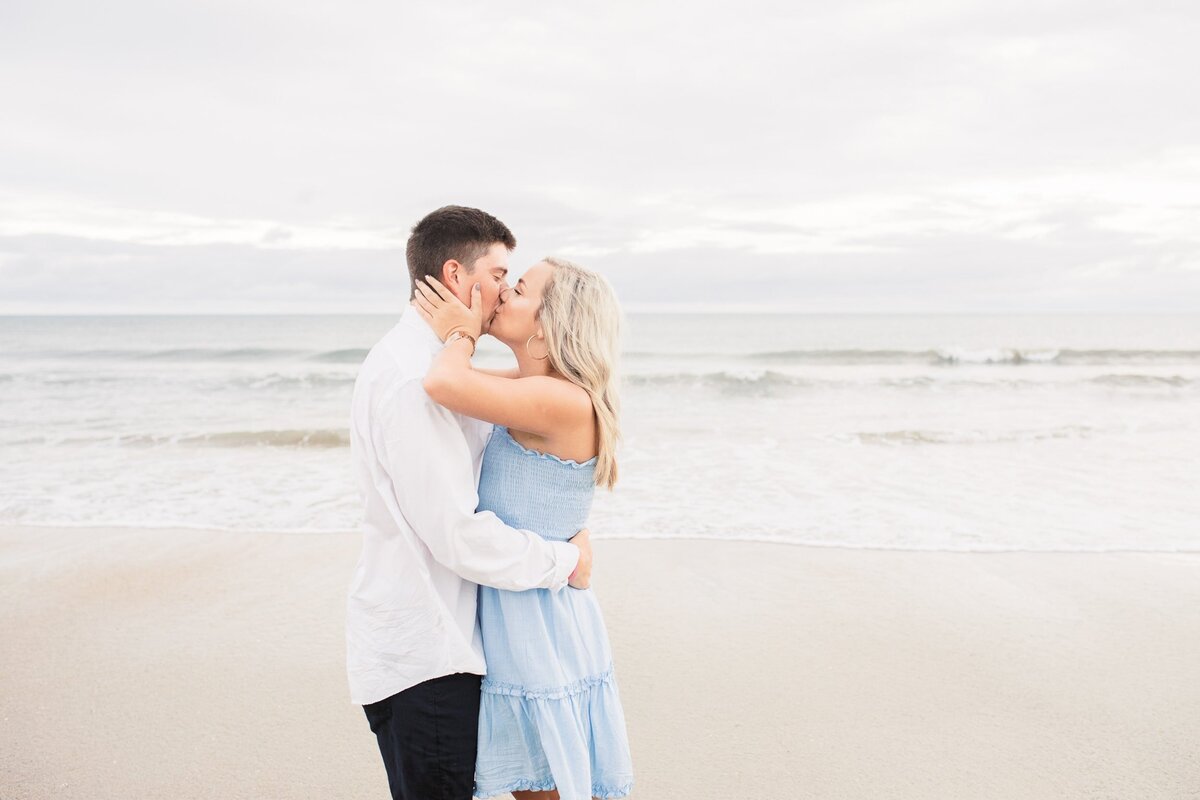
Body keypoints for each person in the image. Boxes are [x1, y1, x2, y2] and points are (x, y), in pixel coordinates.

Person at [346, 206, 594, 800]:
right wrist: (566, 562)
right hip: (429, 655)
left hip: (448, 643)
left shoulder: (431, 368)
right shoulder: (414, 383)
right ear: (458, 277)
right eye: (501, 273)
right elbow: (456, 535)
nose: (506, 290)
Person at [413, 256, 634, 800]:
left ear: (548, 323)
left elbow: (444, 381)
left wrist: (460, 334)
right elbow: (446, 385)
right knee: (538, 783)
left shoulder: (558, 399)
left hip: (540, 624)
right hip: (531, 604)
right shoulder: (535, 386)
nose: (503, 294)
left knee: (545, 787)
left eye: (519, 289)